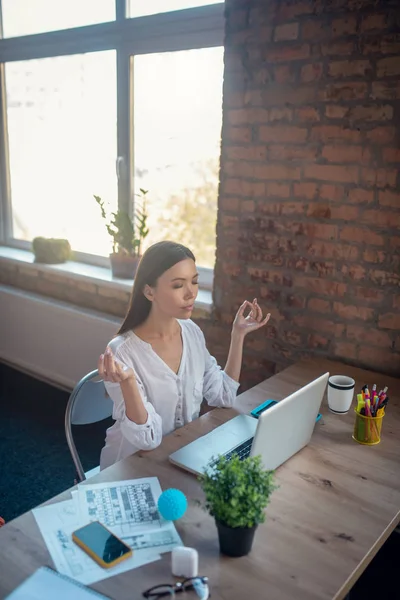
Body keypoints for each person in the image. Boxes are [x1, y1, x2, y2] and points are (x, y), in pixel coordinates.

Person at [98, 241, 270, 470]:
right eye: (178, 285)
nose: (191, 293)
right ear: (149, 291)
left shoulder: (192, 333)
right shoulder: (121, 352)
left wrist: (237, 335)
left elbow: (224, 396)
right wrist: (128, 381)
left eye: (195, 281)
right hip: (131, 467)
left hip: (182, 456)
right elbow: (146, 440)